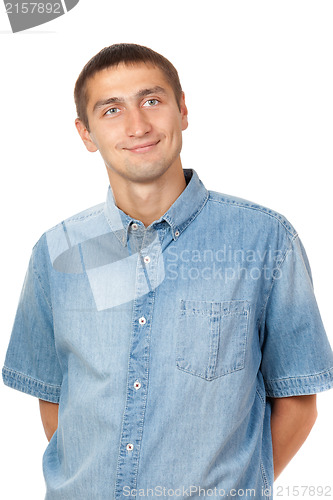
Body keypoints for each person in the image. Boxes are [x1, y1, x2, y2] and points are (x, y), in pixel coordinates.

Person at [2, 43, 333, 500]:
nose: (137, 125)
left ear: (182, 110)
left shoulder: (265, 241)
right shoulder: (57, 252)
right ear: (86, 133)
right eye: (112, 109)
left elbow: (297, 402)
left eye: (152, 101)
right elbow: (55, 397)